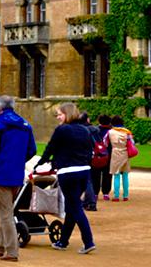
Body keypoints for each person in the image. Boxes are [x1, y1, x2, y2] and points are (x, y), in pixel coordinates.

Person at [0, 94, 37, 262]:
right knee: (7, 210)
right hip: (16, 173)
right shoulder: (25, 125)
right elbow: (32, 150)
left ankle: (11, 251)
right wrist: (18, 160)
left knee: (5, 214)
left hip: (0, 173)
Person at [37, 102, 96, 254]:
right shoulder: (85, 130)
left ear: (67, 114)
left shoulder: (62, 130)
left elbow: (50, 148)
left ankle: (88, 241)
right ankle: (63, 241)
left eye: (60, 114)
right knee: (71, 207)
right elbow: (91, 150)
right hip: (84, 171)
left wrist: (39, 164)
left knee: (75, 206)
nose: (58, 117)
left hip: (68, 173)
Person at [107, 115, 133, 202]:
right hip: (125, 153)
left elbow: (105, 142)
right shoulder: (127, 132)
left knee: (116, 175)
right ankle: (126, 195)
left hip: (115, 153)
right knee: (125, 175)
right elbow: (132, 143)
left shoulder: (110, 132)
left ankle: (116, 196)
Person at [78, 113, 98, 211]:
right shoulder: (93, 130)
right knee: (88, 179)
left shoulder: (78, 130)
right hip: (90, 156)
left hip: (80, 157)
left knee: (86, 180)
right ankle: (88, 201)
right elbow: (96, 144)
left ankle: (90, 202)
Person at [92, 114, 113, 201]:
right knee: (107, 175)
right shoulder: (112, 131)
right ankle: (106, 193)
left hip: (97, 155)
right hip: (108, 155)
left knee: (95, 175)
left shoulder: (94, 130)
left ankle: (95, 193)